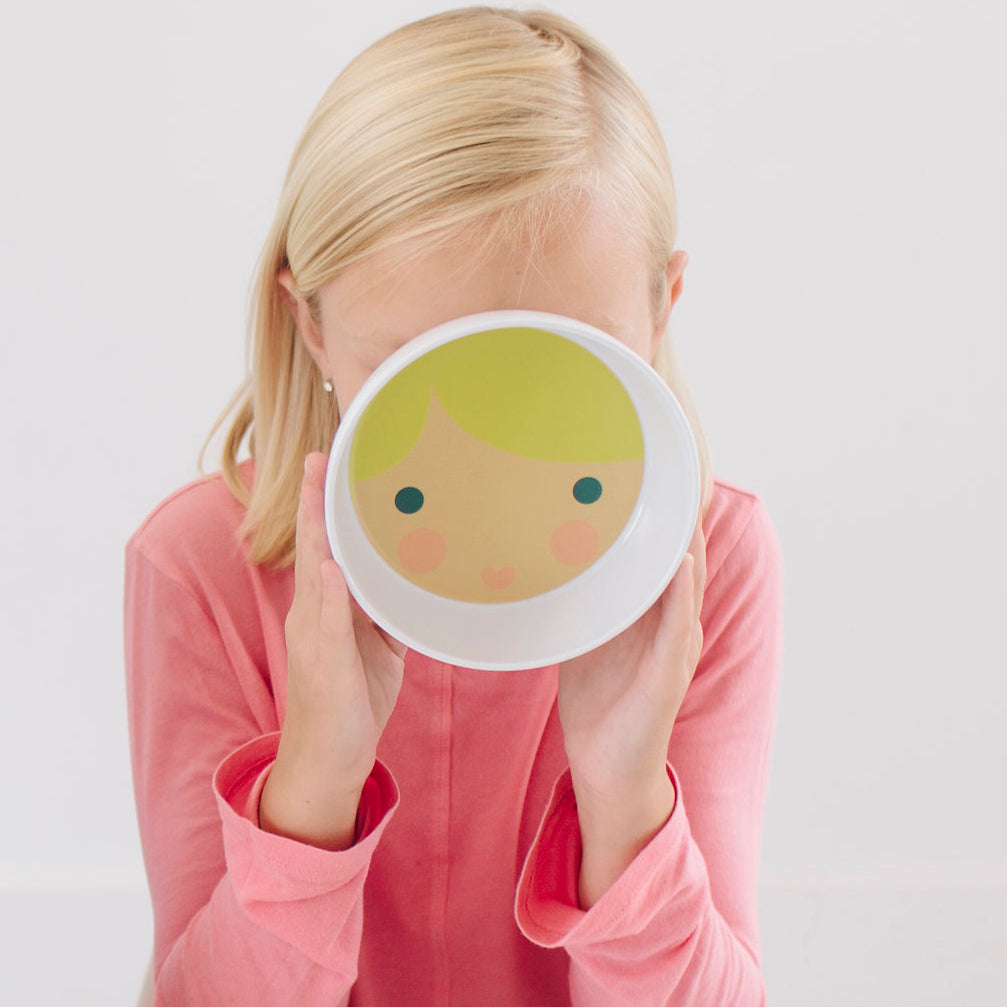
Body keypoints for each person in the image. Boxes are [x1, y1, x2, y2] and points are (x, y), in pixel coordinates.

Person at [124, 7, 783, 1006]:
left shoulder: (710, 562)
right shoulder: (199, 564)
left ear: (659, 308)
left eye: (556, 363)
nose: (491, 444)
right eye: (415, 369)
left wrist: (624, 800)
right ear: (311, 324)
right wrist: (313, 783)